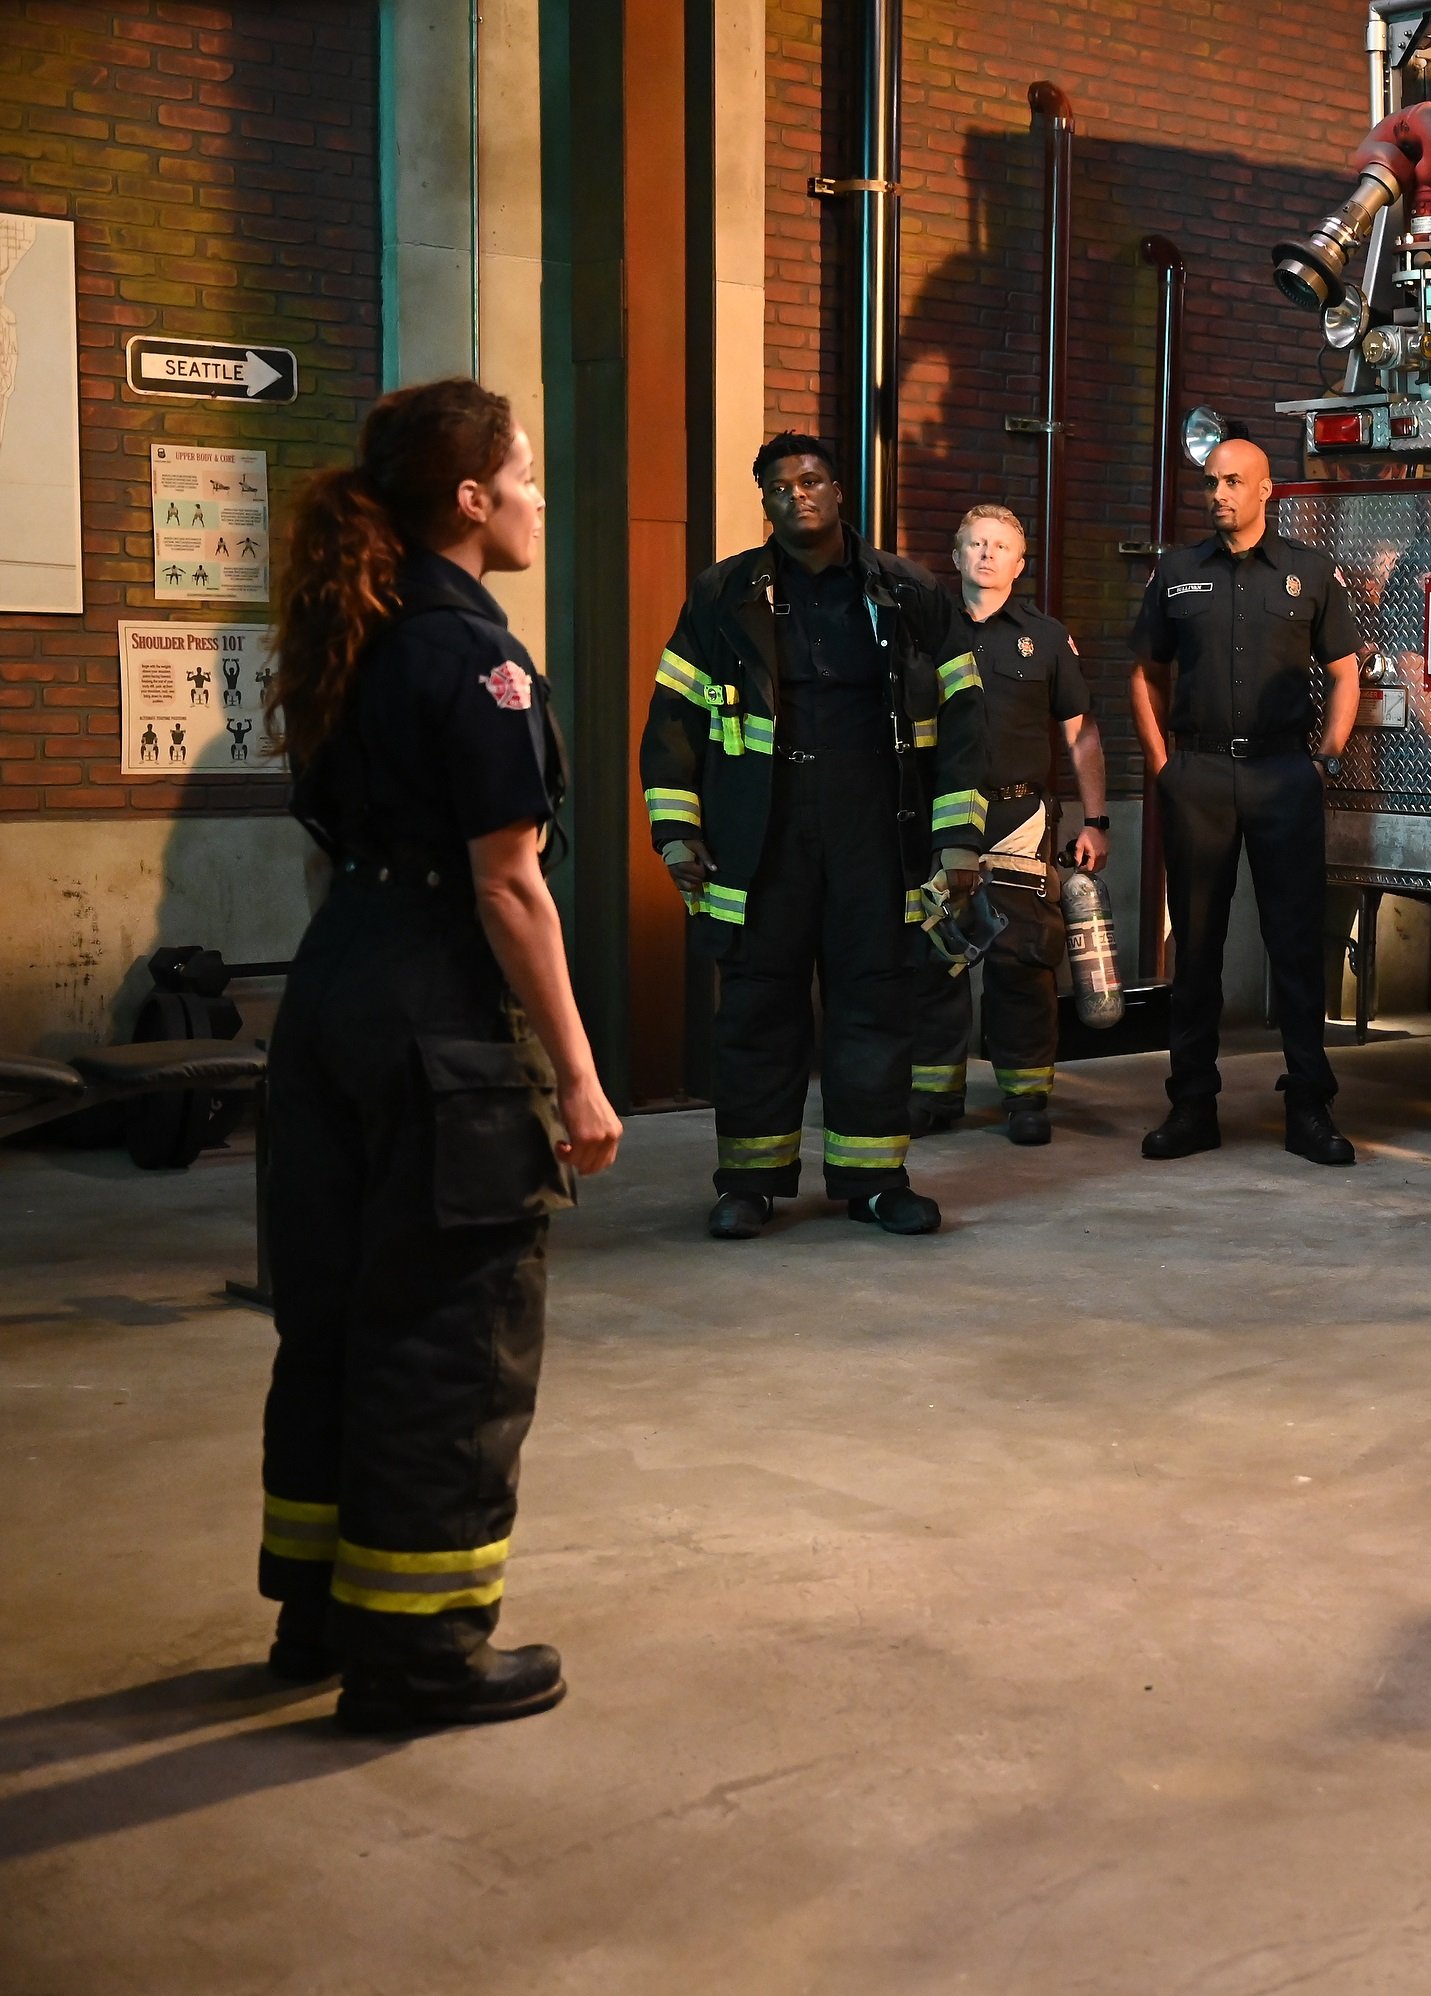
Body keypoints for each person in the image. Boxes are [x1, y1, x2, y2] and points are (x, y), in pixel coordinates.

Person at [258, 377, 624, 1732]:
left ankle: (319, 1613)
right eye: (522, 476)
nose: (536, 496)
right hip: (438, 1021)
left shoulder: (353, 625)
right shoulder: (474, 655)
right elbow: (509, 884)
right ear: (471, 499)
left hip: (332, 995)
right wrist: (578, 1075)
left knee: (337, 1318)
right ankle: (416, 1655)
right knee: (447, 1336)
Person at [640, 433, 978, 1239]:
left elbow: (966, 718)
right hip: (762, 836)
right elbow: (673, 718)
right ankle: (749, 1183)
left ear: (838, 490)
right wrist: (677, 832)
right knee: (757, 1007)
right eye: (780, 485)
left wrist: (959, 839)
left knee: (875, 1001)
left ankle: (874, 1180)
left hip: (877, 830)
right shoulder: (723, 593)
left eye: (812, 479)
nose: (798, 494)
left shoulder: (908, 592)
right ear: (764, 500)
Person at [1125, 437, 1362, 1167]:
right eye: (1211, 482)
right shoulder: (1176, 572)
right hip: (1197, 777)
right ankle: (1193, 1104)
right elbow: (1145, 673)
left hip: (1282, 774)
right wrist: (1164, 767)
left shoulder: (1309, 573)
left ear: (1266, 491)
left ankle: (1309, 1106)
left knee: (1295, 944)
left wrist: (1323, 760)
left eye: (1233, 481)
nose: (1219, 494)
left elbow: (1345, 673)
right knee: (1196, 948)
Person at [910, 503, 1112, 1145]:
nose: (987, 554)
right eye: (976, 544)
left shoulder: (1046, 639)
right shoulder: (920, 633)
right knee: (933, 959)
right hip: (938, 817)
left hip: (1018, 819)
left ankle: (1026, 1099)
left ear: (1019, 565)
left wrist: (1095, 820)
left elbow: (1080, 734)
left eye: (1001, 546)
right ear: (956, 555)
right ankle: (933, 1098)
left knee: (1021, 960)